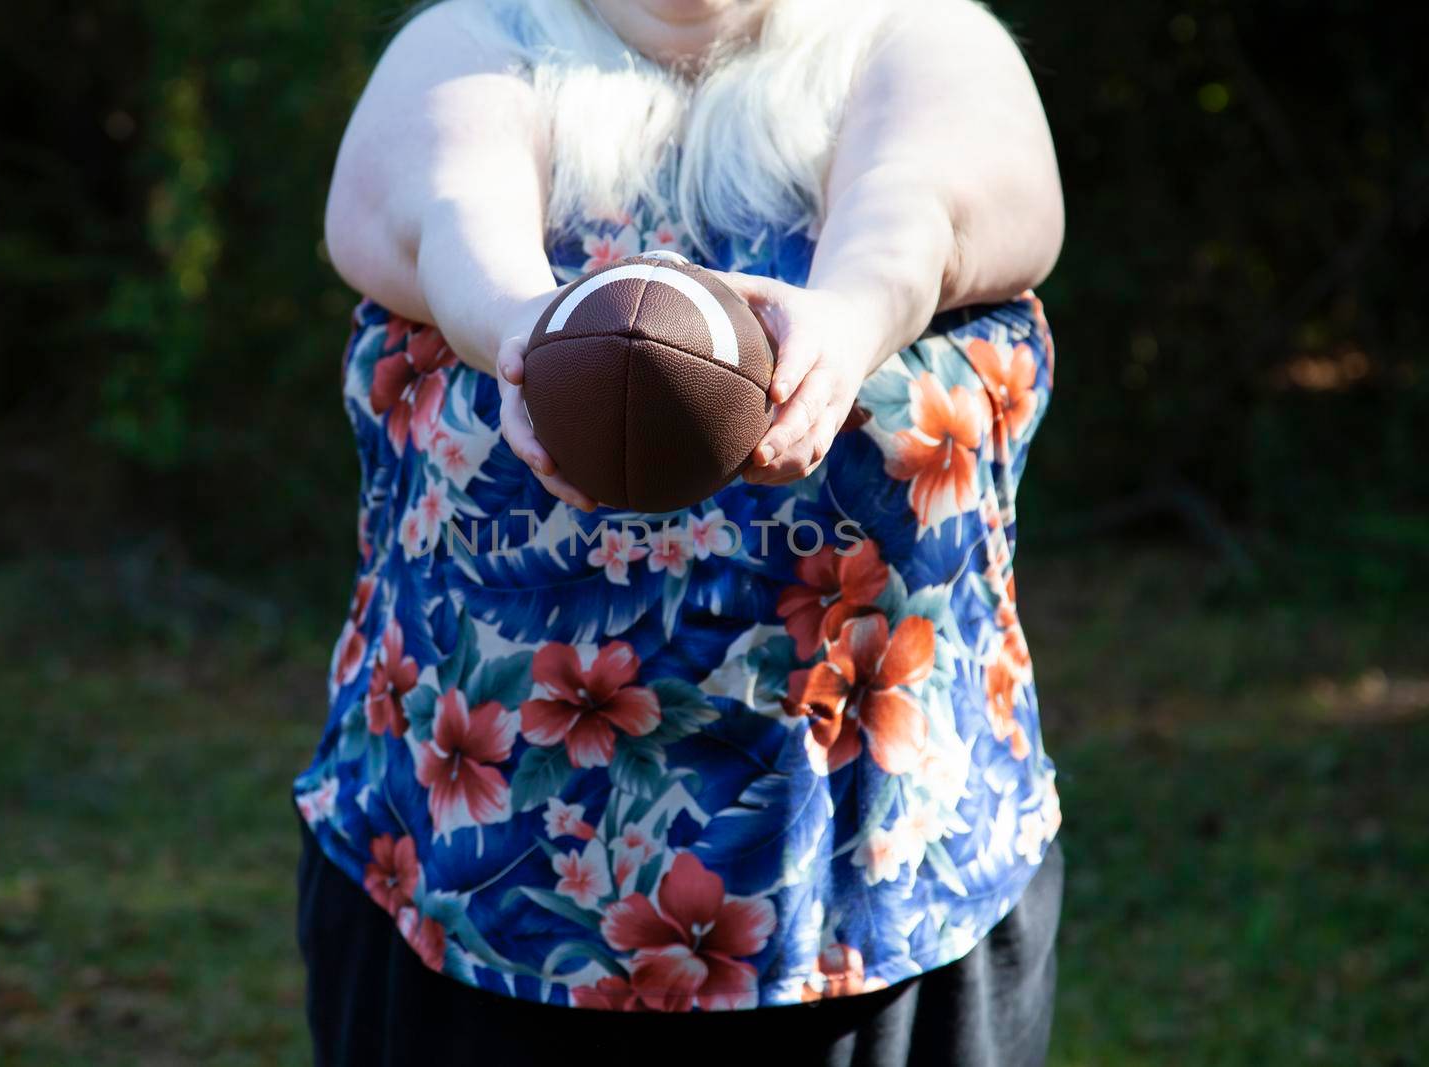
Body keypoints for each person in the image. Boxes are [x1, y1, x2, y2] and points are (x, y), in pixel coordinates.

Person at [295, 1, 1066, 1064]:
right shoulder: (473, 45)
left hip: (871, 906)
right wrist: (525, 330)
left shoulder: (923, 45)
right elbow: (446, 213)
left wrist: (843, 323)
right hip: (475, 898)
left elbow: (916, 212)